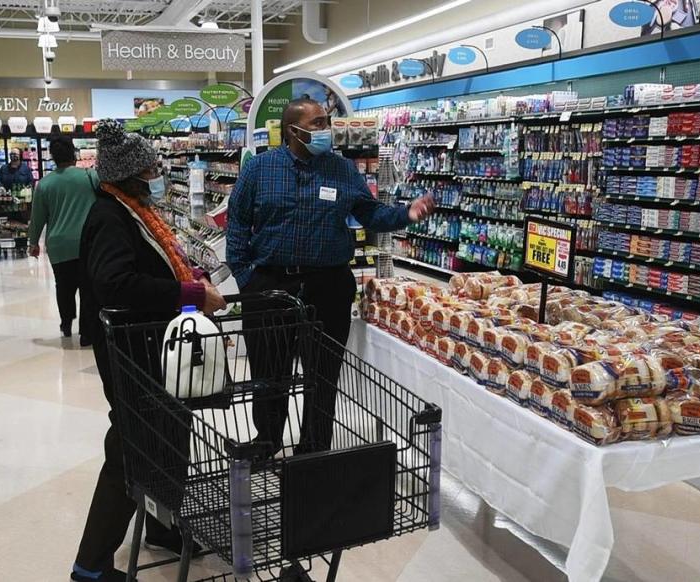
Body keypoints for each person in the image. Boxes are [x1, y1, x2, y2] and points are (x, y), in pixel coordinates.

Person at [226, 97, 435, 455]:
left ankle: (314, 447)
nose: (328, 129)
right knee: (268, 369)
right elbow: (238, 223)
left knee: (322, 374)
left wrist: (406, 214)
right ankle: (266, 440)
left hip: (329, 286)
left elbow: (369, 213)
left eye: (327, 121)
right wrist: (247, 279)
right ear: (293, 131)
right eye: (319, 123)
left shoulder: (342, 169)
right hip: (271, 285)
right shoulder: (259, 169)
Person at [72, 120, 226, 582]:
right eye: (153, 167)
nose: (160, 172)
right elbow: (115, 283)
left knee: (170, 436)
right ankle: (90, 566)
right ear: (132, 175)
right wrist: (189, 296)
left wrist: (189, 278)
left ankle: (162, 526)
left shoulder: (135, 212)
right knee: (129, 452)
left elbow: (149, 267)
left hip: (154, 351)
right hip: (131, 356)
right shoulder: (109, 217)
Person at [28, 136, 98, 341]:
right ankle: (87, 333)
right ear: (74, 153)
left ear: (52, 157)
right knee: (88, 288)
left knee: (64, 287)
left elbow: (37, 218)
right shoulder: (90, 176)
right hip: (88, 242)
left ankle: (66, 324)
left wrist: (33, 243)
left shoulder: (45, 184)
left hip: (59, 245)